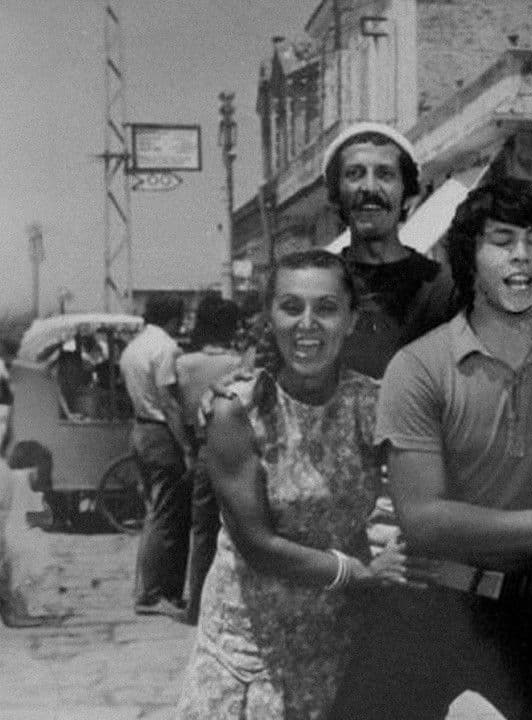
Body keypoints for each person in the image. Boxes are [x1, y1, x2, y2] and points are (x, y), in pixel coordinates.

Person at [331, 177, 532, 720]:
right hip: (437, 611)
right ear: (469, 259)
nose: (521, 256)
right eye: (502, 240)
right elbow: (423, 519)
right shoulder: (419, 367)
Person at [176, 250, 407, 718]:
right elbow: (258, 545)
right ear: (270, 317)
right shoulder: (237, 410)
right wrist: (360, 572)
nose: (307, 323)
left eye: (326, 308)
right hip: (247, 653)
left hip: (335, 647)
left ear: (350, 320)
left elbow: (421, 485)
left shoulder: (373, 404)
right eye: (291, 307)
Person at [322, 121, 455, 378]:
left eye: (385, 174)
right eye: (354, 174)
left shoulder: (445, 291)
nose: (370, 188)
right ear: (336, 195)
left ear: (407, 194)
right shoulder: (317, 287)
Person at [120, 293, 194, 617]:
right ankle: (154, 594)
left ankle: (149, 589)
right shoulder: (166, 348)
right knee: (167, 514)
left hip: (140, 429)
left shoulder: (133, 347)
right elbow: (168, 401)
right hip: (161, 433)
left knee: (155, 510)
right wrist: (186, 447)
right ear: (173, 317)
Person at [175, 296, 244, 624]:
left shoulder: (184, 364)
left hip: (203, 448)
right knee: (237, 528)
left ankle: (196, 606)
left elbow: (182, 409)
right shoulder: (238, 364)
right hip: (236, 451)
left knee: (202, 530)